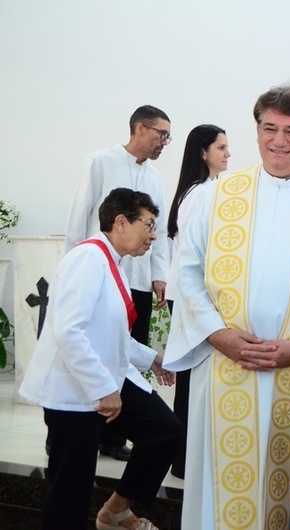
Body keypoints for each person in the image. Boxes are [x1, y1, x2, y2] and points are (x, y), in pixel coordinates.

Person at [163, 82, 290, 530]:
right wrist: (218, 334)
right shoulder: (219, 194)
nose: (279, 140)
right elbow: (187, 270)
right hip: (224, 365)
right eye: (269, 128)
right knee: (217, 492)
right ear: (256, 132)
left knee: (283, 486)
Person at [19, 188, 181, 530]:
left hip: (104, 381)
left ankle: (116, 510)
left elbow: (109, 333)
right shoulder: (88, 259)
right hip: (75, 392)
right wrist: (103, 389)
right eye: (148, 225)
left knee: (164, 431)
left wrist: (152, 358)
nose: (154, 236)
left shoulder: (112, 261)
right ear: (121, 222)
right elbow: (69, 332)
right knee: (70, 488)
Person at [64, 105, 172, 461]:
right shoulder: (100, 161)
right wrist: (72, 263)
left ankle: (113, 436)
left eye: (167, 137)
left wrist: (159, 274)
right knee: (92, 349)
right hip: (97, 273)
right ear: (140, 128)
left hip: (135, 279)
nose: (164, 142)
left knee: (123, 353)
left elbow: (159, 230)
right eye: (161, 134)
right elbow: (80, 214)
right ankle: (68, 429)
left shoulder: (155, 177)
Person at [164, 124, 230, 479]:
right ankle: (183, 460)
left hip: (192, 295)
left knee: (197, 380)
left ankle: (188, 459)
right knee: (192, 381)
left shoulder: (208, 190)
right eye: (221, 147)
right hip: (191, 296)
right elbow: (196, 253)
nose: (228, 153)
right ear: (203, 152)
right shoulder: (201, 194)